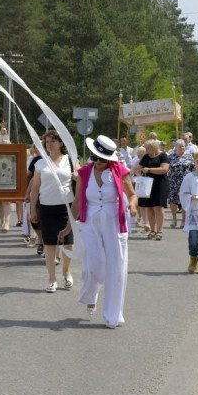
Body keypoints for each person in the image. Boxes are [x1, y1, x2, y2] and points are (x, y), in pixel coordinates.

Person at [73, 136, 137, 329]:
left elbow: (132, 195)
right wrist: (68, 227)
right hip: (91, 221)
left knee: (116, 268)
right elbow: (76, 202)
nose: (97, 162)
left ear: (110, 159)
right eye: (95, 157)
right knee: (93, 264)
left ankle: (112, 315)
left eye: (102, 159)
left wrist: (132, 207)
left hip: (114, 222)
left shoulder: (119, 171)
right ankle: (91, 294)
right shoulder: (84, 173)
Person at [28, 130, 75, 292]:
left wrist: (76, 176)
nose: (49, 144)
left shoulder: (70, 160)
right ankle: (52, 278)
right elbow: (35, 189)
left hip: (66, 207)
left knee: (68, 243)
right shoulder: (40, 163)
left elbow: (81, 179)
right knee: (49, 244)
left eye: (53, 141)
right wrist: (33, 209)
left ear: (61, 143)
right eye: (47, 141)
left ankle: (66, 271)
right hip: (47, 207)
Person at [137, 139, 170, 240]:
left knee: (158, 207)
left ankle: (159, 231)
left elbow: (164, 169)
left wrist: (150, 169)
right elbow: (139, 167)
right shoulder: (146, 156)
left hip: (159, 184)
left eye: (147, 148)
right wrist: (140, 171)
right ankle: (152, 230)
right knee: (149, 207)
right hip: (147, 184)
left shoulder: (163, 155)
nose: (146, 150)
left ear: (153, 147)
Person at [167, 140, 194, 229]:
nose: (182, 148)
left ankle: (183, 220)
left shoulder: (189, 156)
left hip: (185, 181)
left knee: (184, 201)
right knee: (173, 200)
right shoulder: (171, 156)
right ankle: (174, 219)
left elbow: (193, 168)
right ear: (176, 147)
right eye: (180, 146)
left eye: (183, 146)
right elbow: (167, 168)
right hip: (173, 181)